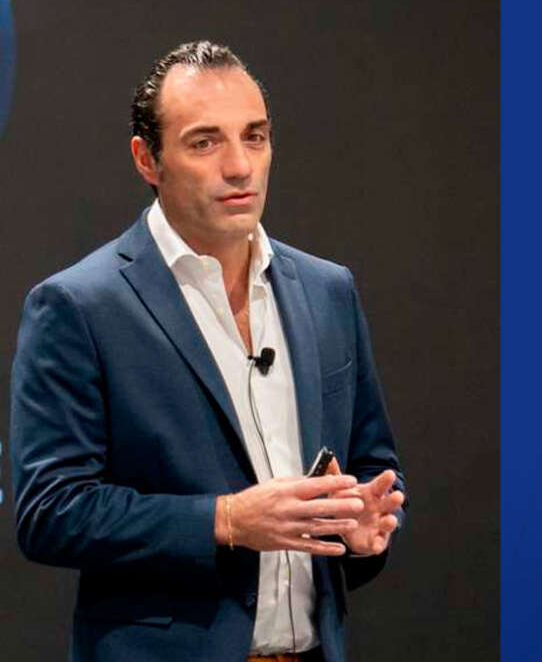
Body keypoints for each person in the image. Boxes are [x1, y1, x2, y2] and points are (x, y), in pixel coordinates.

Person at [10, 41, 406, 662]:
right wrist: (225, 520)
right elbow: (51, 511)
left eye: (255, 137)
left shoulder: (328, 290)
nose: (240, 166)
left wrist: (360, 524)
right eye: (204, 142)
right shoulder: (78, 306)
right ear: (147, 159)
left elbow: (374, 464)